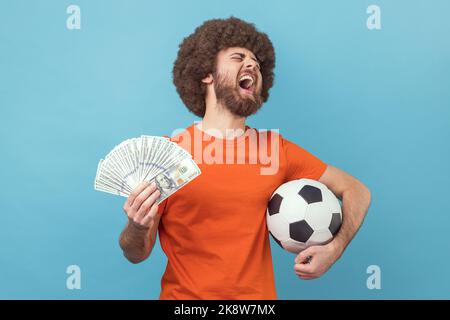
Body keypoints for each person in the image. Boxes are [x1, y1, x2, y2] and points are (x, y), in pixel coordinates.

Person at [119, 17, 372, 299]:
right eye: (238, 57)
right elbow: (136, 254)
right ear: (206, 74)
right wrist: (136, 226)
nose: (252, 64)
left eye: (257, 63)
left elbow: (357, 190)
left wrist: (333, 250)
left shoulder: (275, 150)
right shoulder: (168, 155)